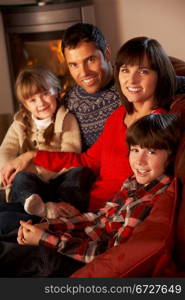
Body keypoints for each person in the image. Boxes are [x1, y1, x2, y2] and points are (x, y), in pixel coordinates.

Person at [0, 36, 178, 212]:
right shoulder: (119, 115)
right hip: (84, 200)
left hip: (100, 213)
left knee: (8, 220)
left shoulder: (157, 127)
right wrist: (32, 155)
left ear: (159, 75)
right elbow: (88, 160)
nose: (131, 81)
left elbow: (139, 190)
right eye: (125, 70)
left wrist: (83, 218)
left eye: (143, 71)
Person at [0, 113, 182, 277]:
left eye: (151, 152)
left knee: (10, 252)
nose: (139, 161)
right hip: (77, 241)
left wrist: (46, 238)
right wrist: (50, 226)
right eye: (135, 150)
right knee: (13, 229)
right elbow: (100, 217)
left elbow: (110, 256)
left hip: (77, 259)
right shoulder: (134, 181)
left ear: (171, 156)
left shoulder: (149, 200)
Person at [0, 65, 95, 232]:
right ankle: (42, 210)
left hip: (58, 179)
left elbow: (69, 154)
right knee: (21, 178)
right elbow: (6, 150)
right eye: (33, 100)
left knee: (78, 173)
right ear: (25, 104)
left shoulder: (66, 119)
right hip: (35, 188)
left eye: (45, 94)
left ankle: (60, 211)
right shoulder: (20, 123)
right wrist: (8, 168)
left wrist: (33, 168)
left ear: (56, 91)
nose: (41, 103)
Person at [62, 23, 185, 151]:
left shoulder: (132, 86)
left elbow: (169, 81)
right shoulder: (69, 100)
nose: (84, 72)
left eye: (90, 60)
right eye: (73, 65)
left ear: (107, 53)